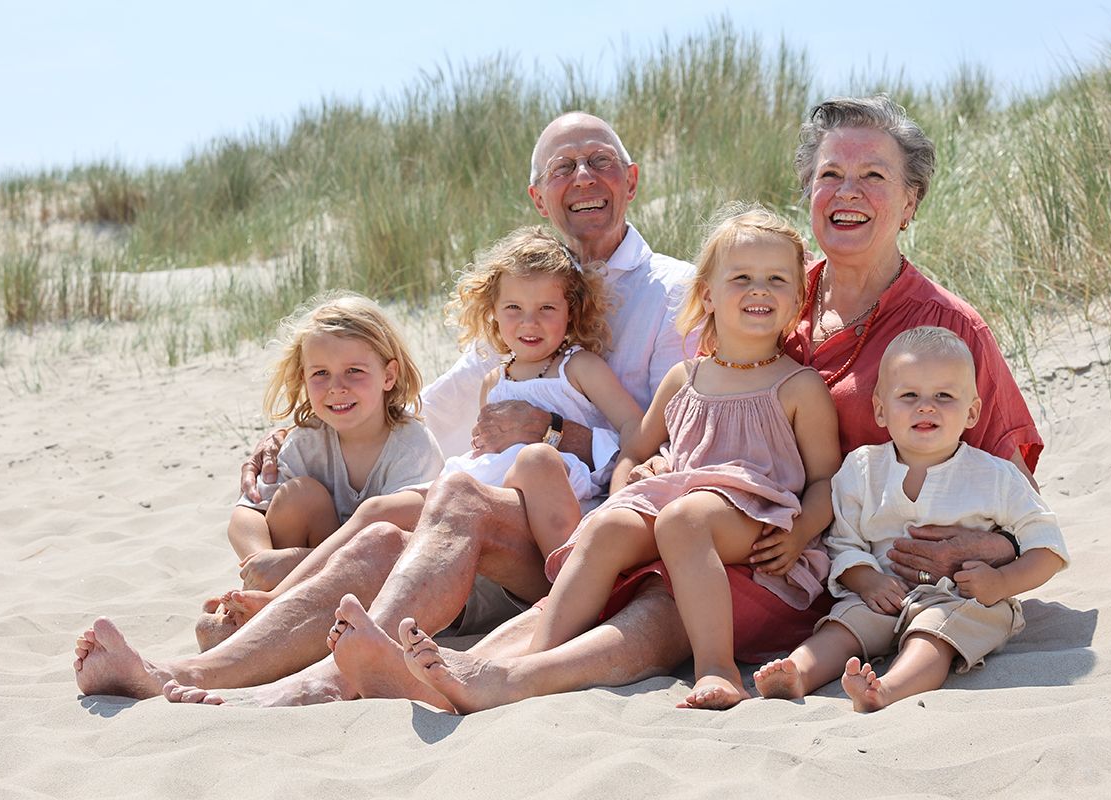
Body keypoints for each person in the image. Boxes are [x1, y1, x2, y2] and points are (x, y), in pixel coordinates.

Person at [379, 95, 1047, 714]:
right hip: (714, 521)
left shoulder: (946, 331)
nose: (848, 192)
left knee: (662, 600)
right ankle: (414, 675)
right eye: (829, 175)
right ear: (807, 195)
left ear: (910, 201)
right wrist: (640, 466)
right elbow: (696, 415)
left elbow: (1009, 481)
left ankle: (515, 681)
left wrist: (986, 545)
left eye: (873, 175)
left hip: (831, 563)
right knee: (619, 552)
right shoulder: (773, 302)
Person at [72, 111, 696, 705]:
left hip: (592, 531)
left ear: (632, 178)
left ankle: (325, 680)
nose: (583, 177)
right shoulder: (517, 314)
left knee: (459, 499)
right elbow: (424, 411)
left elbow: (689, 431)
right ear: (539, 196)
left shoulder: (676, 291)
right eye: (563, 167)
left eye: (600, 161)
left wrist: (558, 431)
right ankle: (180, 672)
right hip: (506, 526)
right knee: (378, 536)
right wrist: (305, 425)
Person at [443, 204, 841, 711]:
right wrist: (626, 490)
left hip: (757, 516)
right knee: (608, 529)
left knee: (684, 520)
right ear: (707, 294)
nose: (759, 289)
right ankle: (537, 655)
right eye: (741, 277)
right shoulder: (685, 378)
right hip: (679, 499)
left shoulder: (798, 386)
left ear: (798, 299)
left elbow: (828, 478)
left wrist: (801, 532)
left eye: (776, 279)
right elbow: (635, 448)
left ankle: (716, 669)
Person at [223, 226, 643, 628]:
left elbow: (633, 429)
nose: (528, 323)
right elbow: (443, 428)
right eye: (513, 308)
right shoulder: (494, 380)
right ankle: (286, 597)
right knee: (378, 512)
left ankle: (572, 594)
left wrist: (620, 487)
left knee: (409, 510)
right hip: (482, 487)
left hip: (546, 489)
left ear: (571, 310)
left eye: (546, 309)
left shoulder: (580, 368)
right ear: (493, 313)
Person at [754, 326, 1068, 711]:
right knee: (846, 624)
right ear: (880, 410)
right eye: (909, 396)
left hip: (963, 599)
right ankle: (798, 673)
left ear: (972, 412)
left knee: (933, 634)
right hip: (882, 593)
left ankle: (887, 691)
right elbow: (842, 541)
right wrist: (866, 579)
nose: (926, 406)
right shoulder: (863, 469)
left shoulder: (995, 476)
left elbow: (1047, 545)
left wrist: (1002, 581)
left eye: (944, 396)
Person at [197, 292, 442, 650]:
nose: (336, 387)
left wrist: (295, 563)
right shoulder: (307, 441)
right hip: (299, 581)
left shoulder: (411, 446)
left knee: (380, 525)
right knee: (300, 496)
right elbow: (246, 513)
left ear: (389, 375)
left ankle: (277, 616)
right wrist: (262, 561)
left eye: (354, 371)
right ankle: (265, 607)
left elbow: (398, 550)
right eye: (320, 374)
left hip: (377, 585)